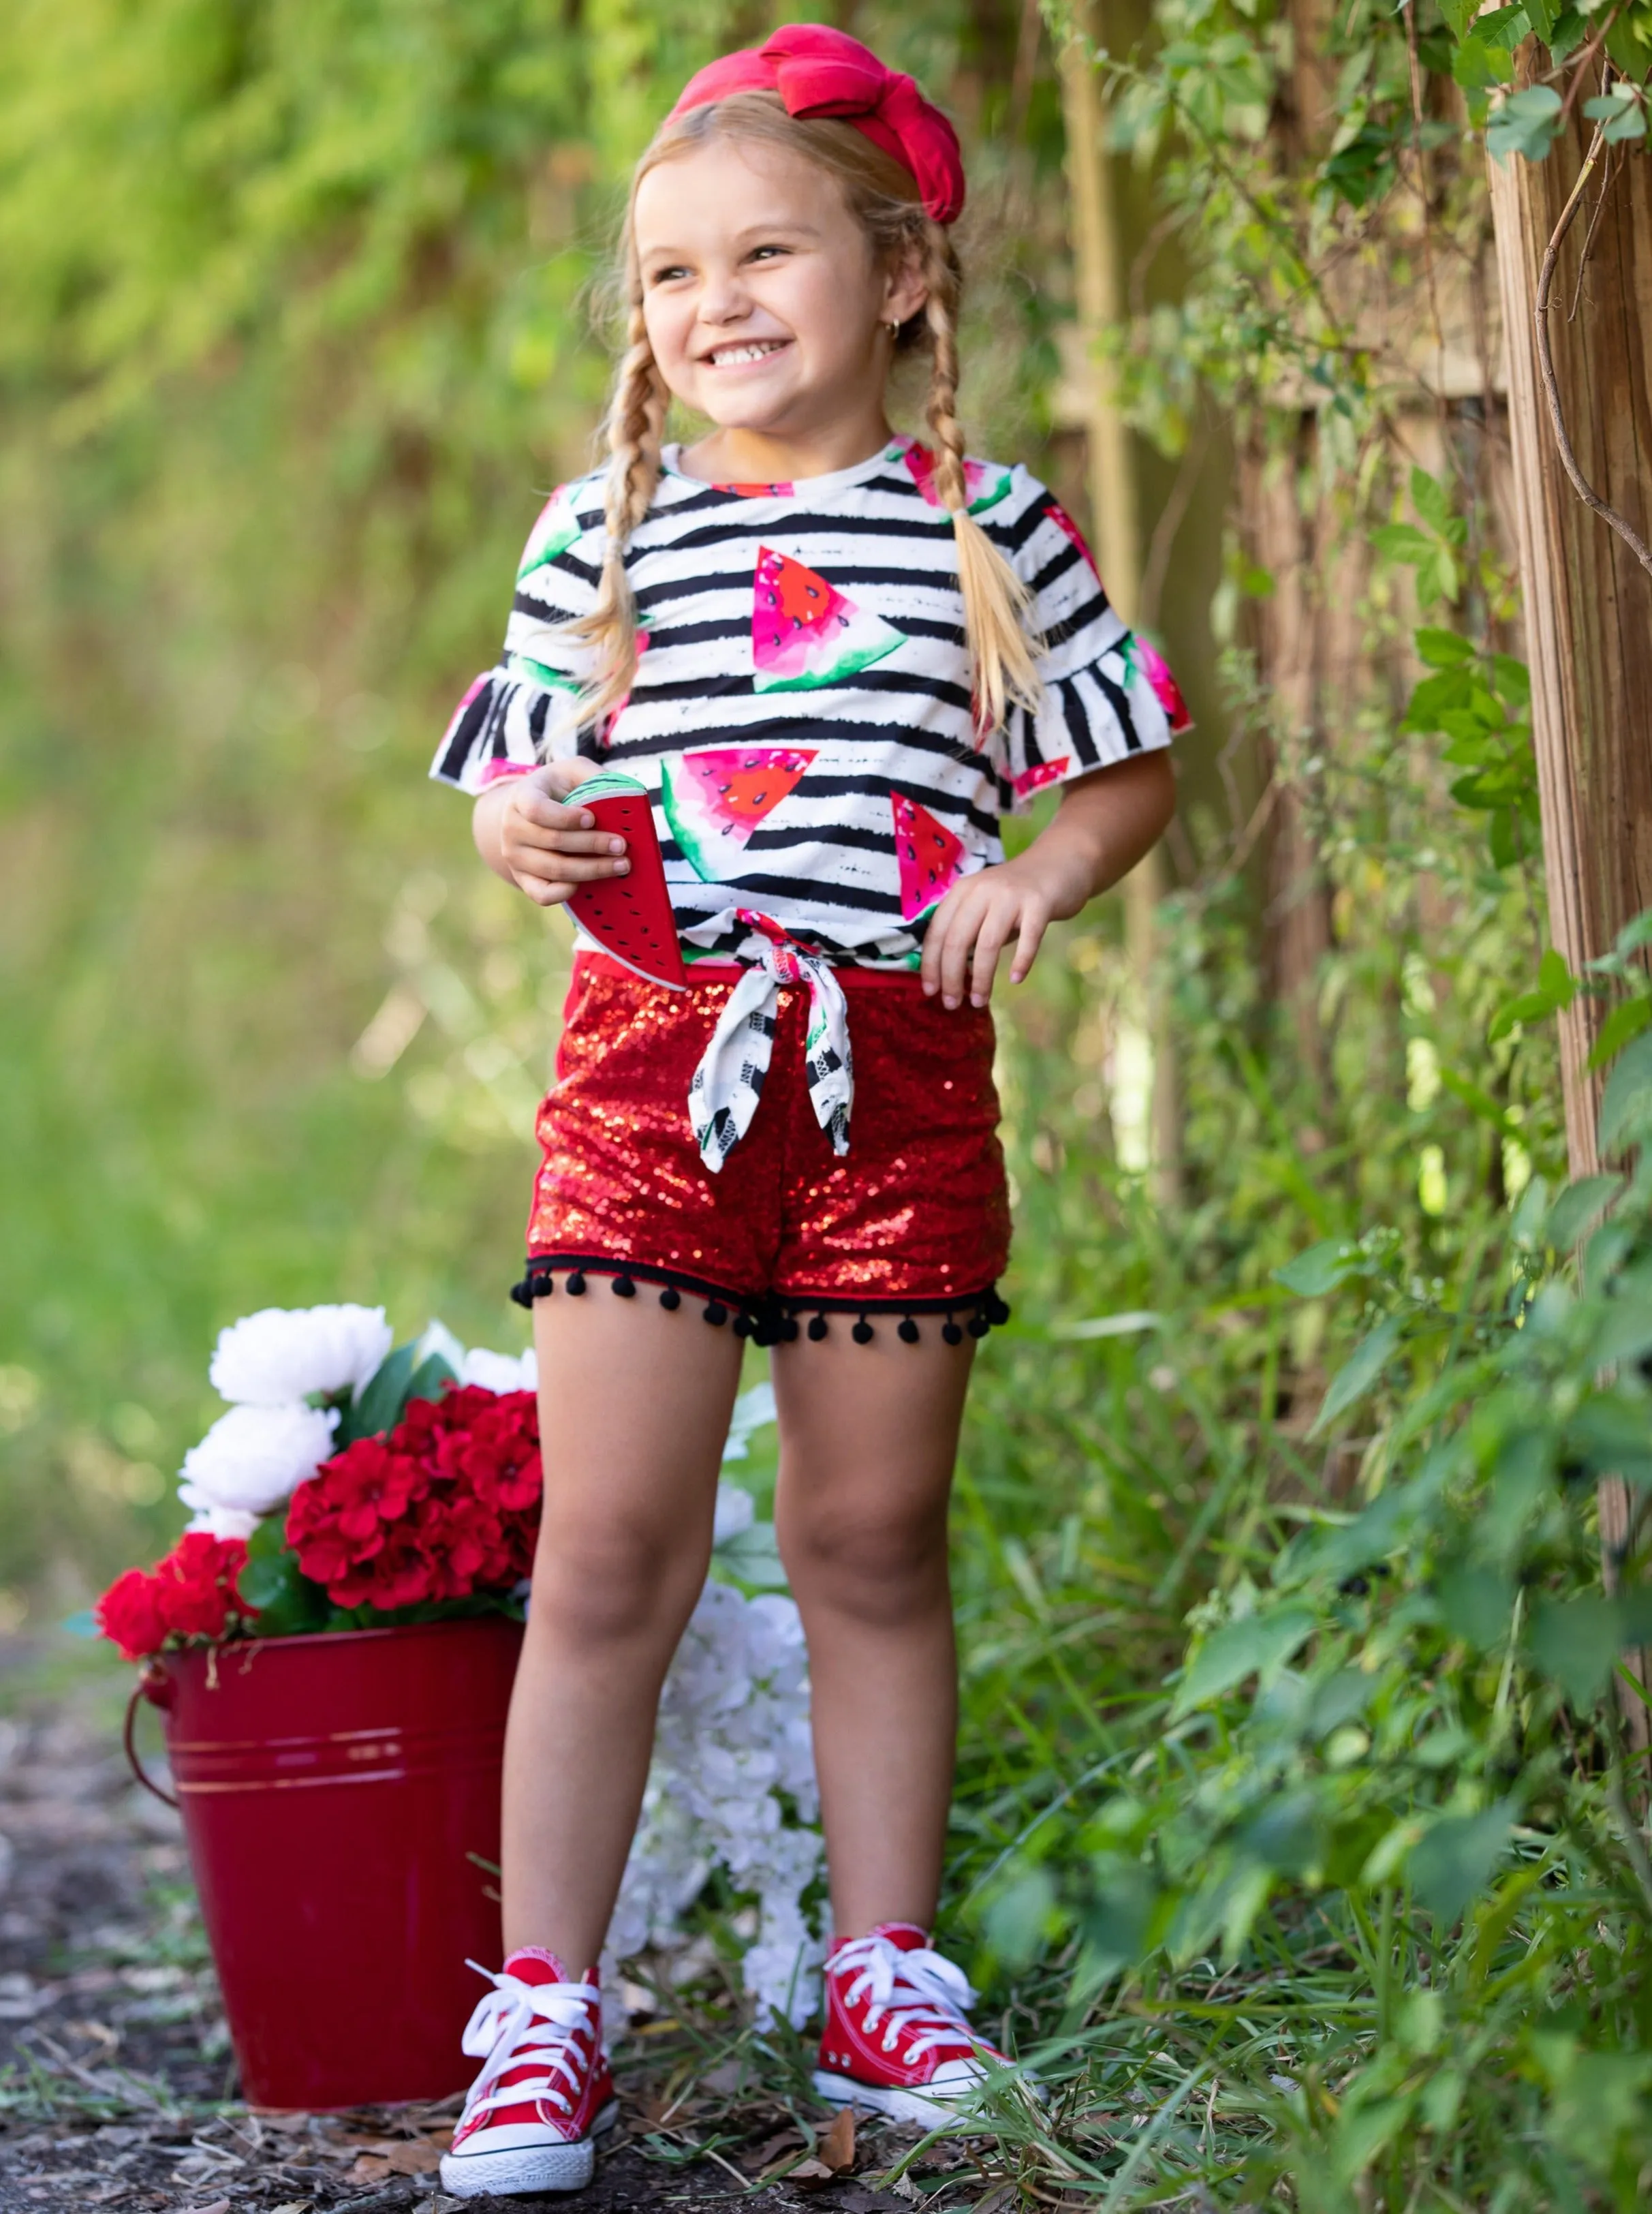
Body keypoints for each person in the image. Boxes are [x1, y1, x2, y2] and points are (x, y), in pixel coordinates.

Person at [428, 25, 1185, 2200]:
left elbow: (1121, 765)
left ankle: (883, 1971)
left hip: (898, 1086)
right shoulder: (611, 527)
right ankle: (542, 2016)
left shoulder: (993, 530)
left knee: (873, 1542)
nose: (717, 304)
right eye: (671, 275)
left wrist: (1034, 871)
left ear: (903, 281)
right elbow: (515, 777)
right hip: (655, 1076)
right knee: (609, 1555)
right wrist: (527, 834)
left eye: (769, 255)